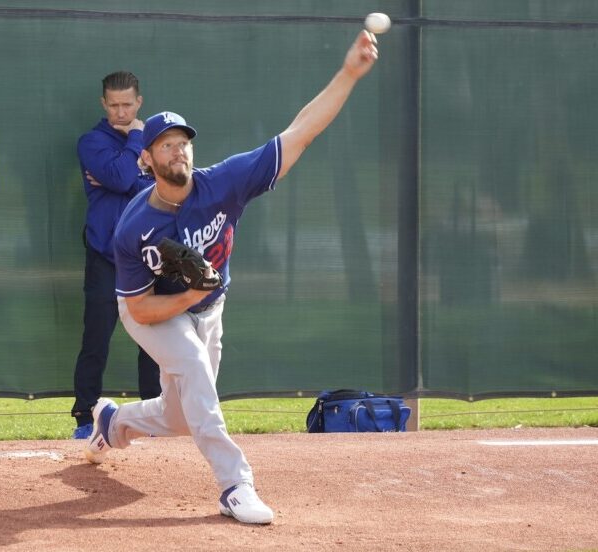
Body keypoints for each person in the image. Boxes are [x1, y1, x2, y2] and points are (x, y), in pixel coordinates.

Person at [84, 30, 379, 524]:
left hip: (207, 308)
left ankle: (114, 422)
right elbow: (139, 309)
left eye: (182, 142)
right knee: (195, 369)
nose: (178, 150)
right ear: (146, 158)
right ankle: (234, 484)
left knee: (180, 416)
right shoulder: (134, 226)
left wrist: (348, 73)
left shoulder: (223, 184)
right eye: (165, 144)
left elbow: (301, 132)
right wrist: (194, 292)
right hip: (151, 310)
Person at [71, 71, 161, 439]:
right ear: (103, 104)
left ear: (139, 102)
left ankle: (156, 416)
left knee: (155, 342)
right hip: (104, 256)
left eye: (127, 105)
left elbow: (162, 186)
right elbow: (126, 180)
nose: (121, 112)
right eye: (114, 105)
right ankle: (83, 417)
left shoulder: (159, 143)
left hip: (147, 258)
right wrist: (137, 154)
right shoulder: (92, 141)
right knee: (96, 338)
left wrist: (129, 169)